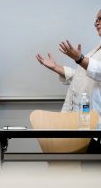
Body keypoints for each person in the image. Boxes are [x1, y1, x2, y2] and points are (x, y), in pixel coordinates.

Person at [36, 9, 101, 152]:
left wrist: (79, 58)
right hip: (80, 124)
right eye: (96, 20)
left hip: (96, 127)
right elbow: (80, 75)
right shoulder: (95, 51)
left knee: (92, 170)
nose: (96, 23)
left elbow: (98, 71)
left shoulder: (90, 57)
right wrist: (55, 67)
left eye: (100, 19)